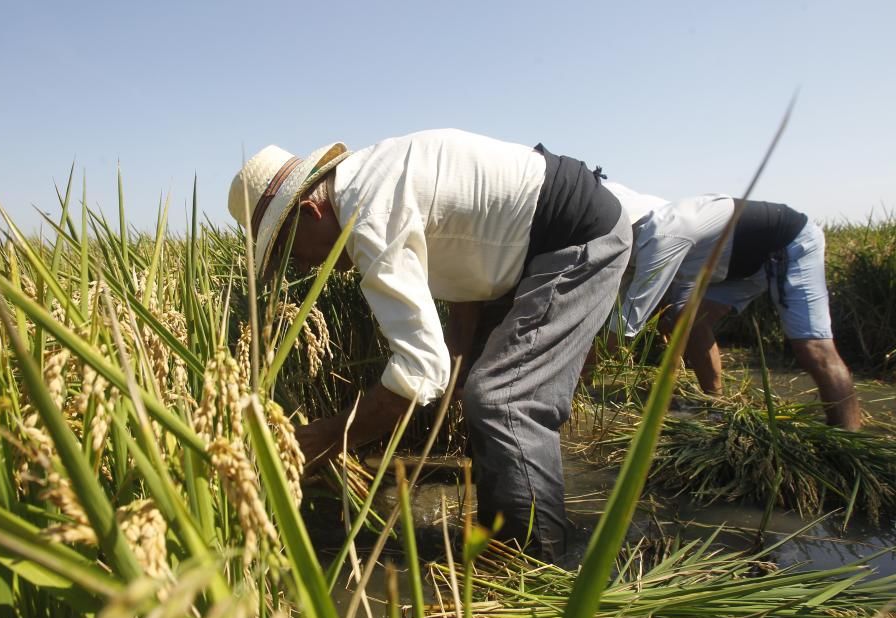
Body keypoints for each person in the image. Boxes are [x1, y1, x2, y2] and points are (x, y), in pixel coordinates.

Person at [228, 129, 632, 563]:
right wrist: (459, 361)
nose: (304, 265)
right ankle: (500, 541)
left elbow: (419, 368)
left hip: (574, 236)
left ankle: (537, 570)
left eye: (292, 251)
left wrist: (330, 436)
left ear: (311, 210)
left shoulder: (369, 212)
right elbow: (467, 275)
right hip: (522, 256)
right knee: (479, 389)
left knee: (504, 400)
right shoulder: (369, 183)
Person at [601, 182, 860, 430]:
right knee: (688, 320)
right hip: (738, 263)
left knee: (813, 347)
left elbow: (624, 326)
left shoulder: (661, 235)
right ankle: (718, 407)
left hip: (789, 242)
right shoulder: (638, 239)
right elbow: (623, 314)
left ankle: (848, 437)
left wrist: (575, 381)